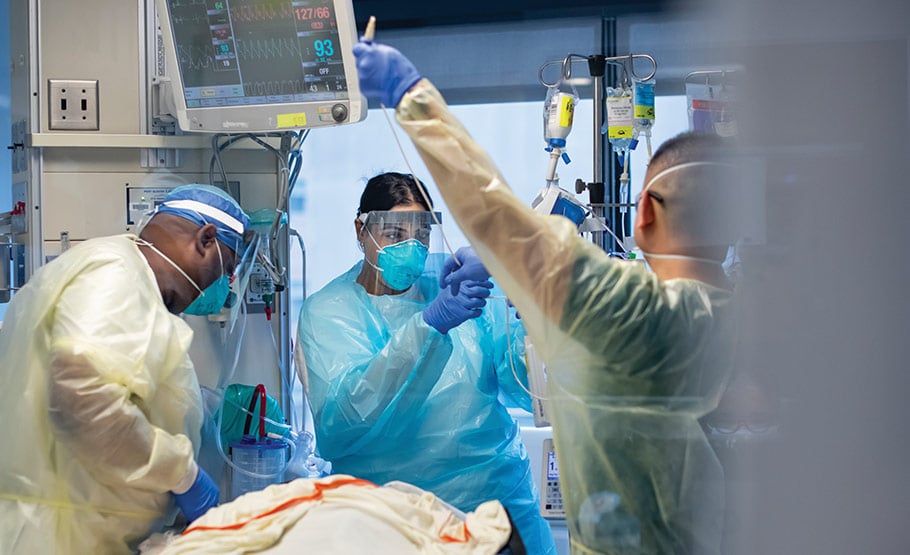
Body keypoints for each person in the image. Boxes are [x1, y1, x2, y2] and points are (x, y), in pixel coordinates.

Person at [352, 41, 740, 554]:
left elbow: (494, 213)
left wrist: (413, 98)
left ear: (642, 214)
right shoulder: (744, 317)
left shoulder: (626, 308)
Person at [296, 171, 558, 555]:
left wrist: (528, 312)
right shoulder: (329, 312)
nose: (411, 247)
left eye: (421, 234)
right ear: (360, 229)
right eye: (394, 234)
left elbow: (526, 389)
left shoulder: (460, 283)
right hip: (391, 523)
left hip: (495, 510)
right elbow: (345, 422)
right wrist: (429, 326)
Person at [0, 184, 251, 553]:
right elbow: (81, 395)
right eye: (226, 268)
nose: (222, 285)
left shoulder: (131, 281)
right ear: (205, 240)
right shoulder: (116, 274)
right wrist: (182, 473)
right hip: (61, 538)